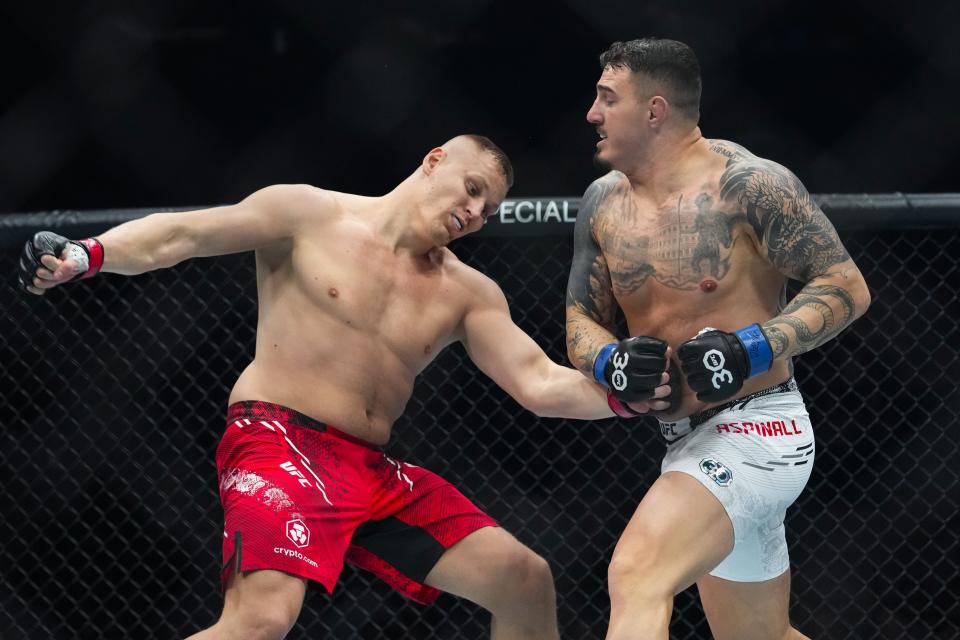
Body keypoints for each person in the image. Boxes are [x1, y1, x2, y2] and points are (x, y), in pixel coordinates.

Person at [20, 134, 670, 640]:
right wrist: (87, 255)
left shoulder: (469, 293)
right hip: (278, 442)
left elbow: (538, 383)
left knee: (524, 580)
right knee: (262, 619)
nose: (474, 212)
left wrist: (620, 394)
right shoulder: (307, 213)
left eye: (487, 208)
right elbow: (181, 235)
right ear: (433, 160)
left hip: (371, 474)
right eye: (470, 188)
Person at [565, 39, 871, 640]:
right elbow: (580, 320)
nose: (591, 114)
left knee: (637, 573)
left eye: (607, 98)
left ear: (654, 110)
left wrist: (753, 345)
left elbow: (846, 286)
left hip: (761, 429)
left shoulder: (749, 186)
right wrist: (608, 359)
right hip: (684, 439)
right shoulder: (602, 203)